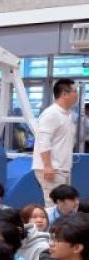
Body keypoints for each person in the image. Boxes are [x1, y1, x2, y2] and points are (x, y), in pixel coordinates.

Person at [32, 78, 78, 208]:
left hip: (63, 168)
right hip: (52, 168)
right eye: (75, 91)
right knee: (55, 206)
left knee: (66, 207)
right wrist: (47, 166)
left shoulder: (68, 115)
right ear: (64, 94)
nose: (77, 95)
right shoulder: (51, 114)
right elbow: (43, 141)